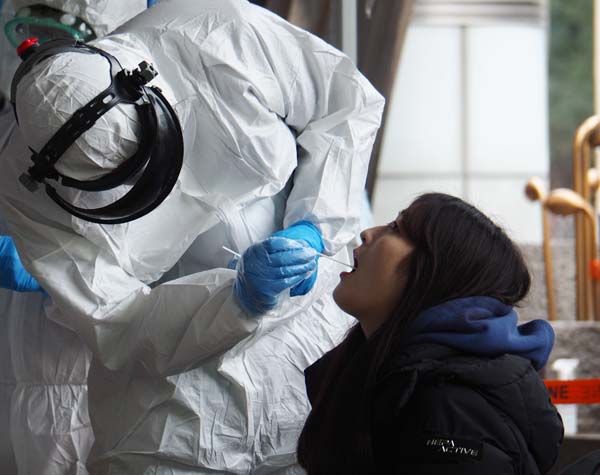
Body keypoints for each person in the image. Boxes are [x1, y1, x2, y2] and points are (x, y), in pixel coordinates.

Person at [0, 0, 385, 473]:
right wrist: (237, 301)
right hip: (185, 365)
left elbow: (346, 105)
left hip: (314, 301)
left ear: (142, 86)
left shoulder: (213, 29)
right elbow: (118, 324)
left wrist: (315, 226)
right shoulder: (28, 196)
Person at [297, 193, 564, 475]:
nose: (367, 233)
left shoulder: (450, 412)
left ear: (436, 272)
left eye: (396, 228)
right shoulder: (385, 373)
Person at [0, 1, 148, 473]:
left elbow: (145, 259)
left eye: (64, 28)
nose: (40, 43)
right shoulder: (15, 118)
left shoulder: (123, 132)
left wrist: (54, 273)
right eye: (32, 23)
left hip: (77, 380)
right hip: (16, 372)